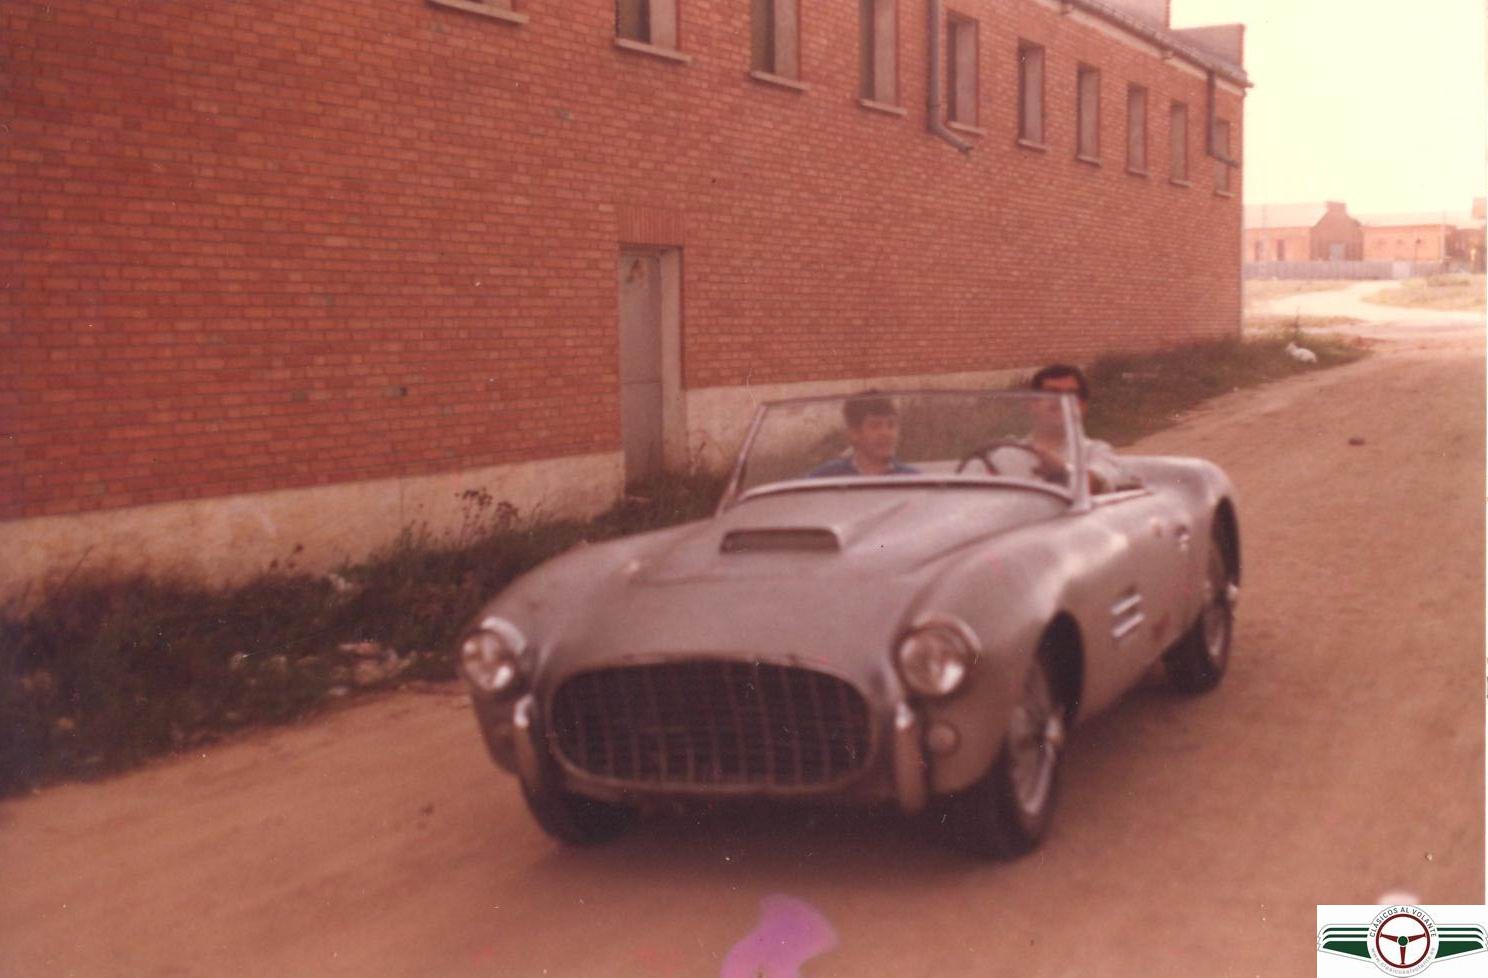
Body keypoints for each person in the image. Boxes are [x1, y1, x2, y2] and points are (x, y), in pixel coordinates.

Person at [993, 364, 1132, 493]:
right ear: (1033, 403)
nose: (1061, 402)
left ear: (1082, 406)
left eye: (1070, 396)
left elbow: (1096, 482)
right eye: (1052, 393)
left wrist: (1063, 473)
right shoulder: (1007, 453)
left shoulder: (1097, 451)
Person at [808, 392, 919, 477]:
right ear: (854, 433)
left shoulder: (913, 480)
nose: (886, 433)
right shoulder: (827, 477)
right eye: (875, 426)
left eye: (891, 425)